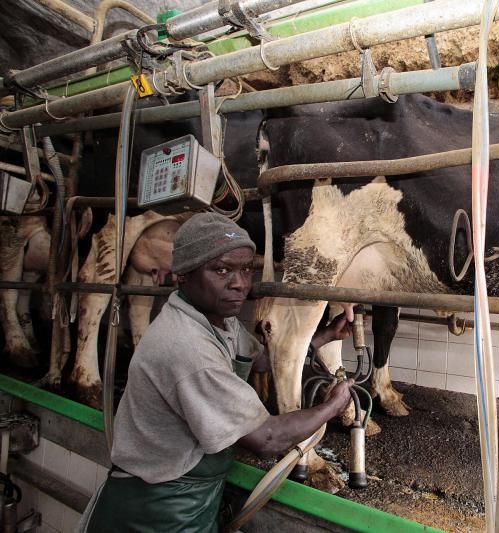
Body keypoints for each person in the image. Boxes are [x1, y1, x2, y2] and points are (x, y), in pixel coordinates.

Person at [81, 212, 352, 532]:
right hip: (155, 511)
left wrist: (324, 337)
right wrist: (334, 405)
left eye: (246, 270)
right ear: (181, 274)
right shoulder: (187, 347)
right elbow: (268, 438)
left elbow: (261, 361)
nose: (239, 284)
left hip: (188, 497)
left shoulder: (217, 321)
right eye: (221, 270)